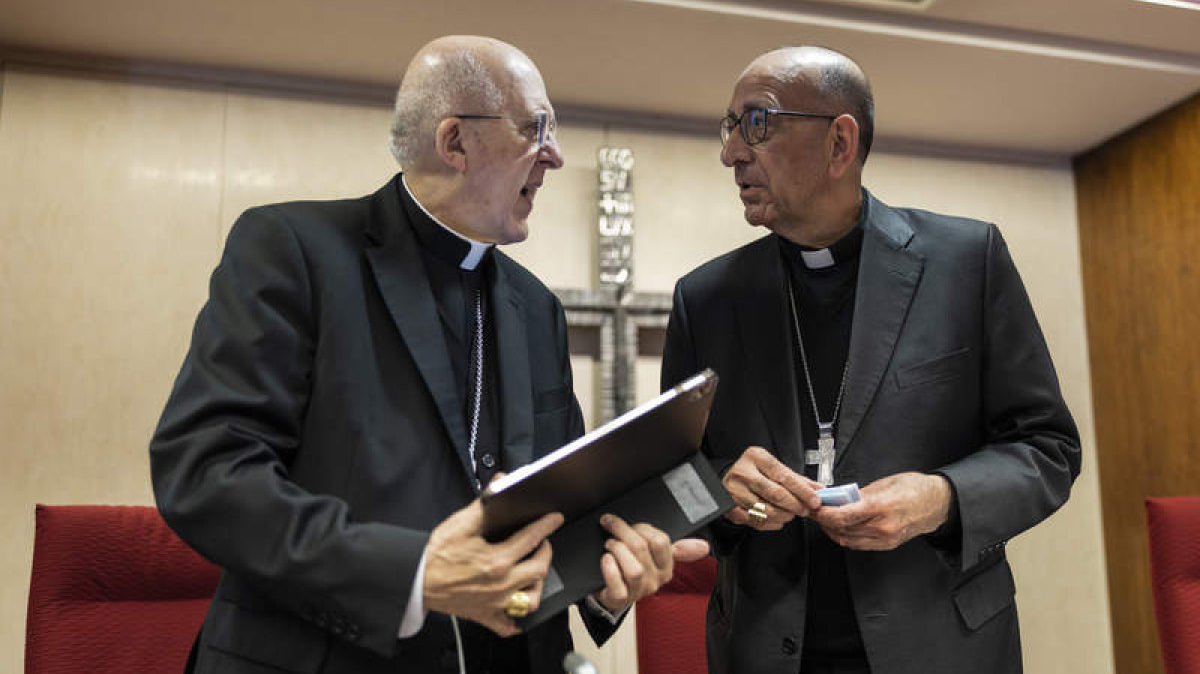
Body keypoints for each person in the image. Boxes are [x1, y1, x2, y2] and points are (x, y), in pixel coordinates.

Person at [151, 35, 702, 674]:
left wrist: (607, 577)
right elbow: (207, 472)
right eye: (537, 128)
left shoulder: (537, 308)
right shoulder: (295, 251)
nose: (554, 155)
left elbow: (559, 508)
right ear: (455, 143)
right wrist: (411, 574)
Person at [661, 45, 1081, 674]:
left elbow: (1047, 448)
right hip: (766, 650)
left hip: (945, 644)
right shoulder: (706, 298)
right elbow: (672, 481)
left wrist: (941, 497)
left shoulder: (967, 261)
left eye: (757, 123)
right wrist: (724, 490)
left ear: (840, 143)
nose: (732, 153)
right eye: (730, 127)